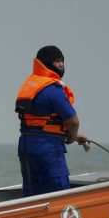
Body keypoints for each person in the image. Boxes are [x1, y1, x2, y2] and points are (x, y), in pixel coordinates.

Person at [15, 46, 87, 197]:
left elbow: (39, 123)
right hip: (47, 148)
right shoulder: (53, 89)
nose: (61, 65)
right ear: (47, 63)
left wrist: (71, 134)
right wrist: (72, 137)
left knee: (33, 190)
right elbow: (73, 121)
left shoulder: (30, 85)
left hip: (26, 146)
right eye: (57, 61)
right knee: (58, 189)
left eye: (62, 61)